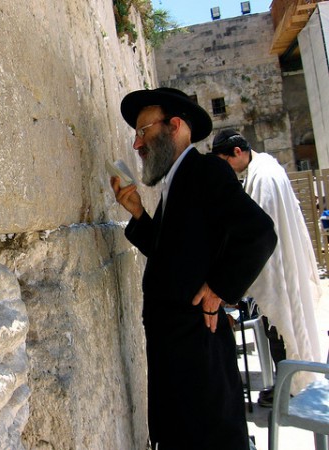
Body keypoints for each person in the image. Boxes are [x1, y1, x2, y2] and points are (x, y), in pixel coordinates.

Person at [111, 87, 277, 450]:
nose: (137, 145)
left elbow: (260, 233)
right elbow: (172, 256)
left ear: (175, 126)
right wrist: (138, 212)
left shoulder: (205, 172)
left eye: (143, 131)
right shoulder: (179, 180)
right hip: (177, 353)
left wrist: (219, 289)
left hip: (197, 353)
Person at [211, 129, 322, 404]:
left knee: (280, 332)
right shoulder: (266, 167)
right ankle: (287, 386)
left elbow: (260, 235)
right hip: (283, 265)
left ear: (237, 152)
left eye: (225, 162)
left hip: (278, 270)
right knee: (281, 333)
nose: (227, 170)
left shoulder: (264, 177)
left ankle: (288, 391)